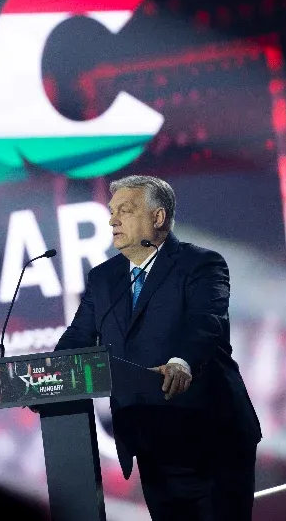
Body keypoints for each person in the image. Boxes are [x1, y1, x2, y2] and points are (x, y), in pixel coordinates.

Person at [54, 175, 262, 521]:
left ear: (158, 217)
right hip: (152, 446)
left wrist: (181, 362)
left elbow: (205, 324)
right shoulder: (103, 279)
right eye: (111, 211)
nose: (112, 220)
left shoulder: (202, 264)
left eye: (125, 210)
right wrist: (46, 377)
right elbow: (77, 337)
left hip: (212, 438)